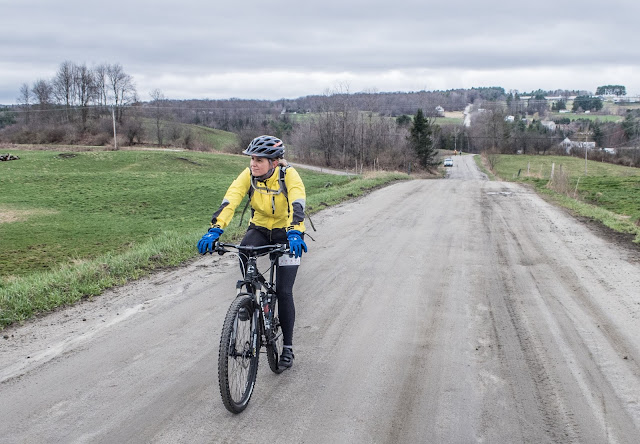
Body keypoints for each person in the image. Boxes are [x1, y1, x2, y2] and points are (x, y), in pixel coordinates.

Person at [197, 135, 307, 369]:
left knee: (285, 291)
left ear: (274, 162)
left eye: (259, 160)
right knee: (245, 250)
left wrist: (295, 232)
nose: (253, 164)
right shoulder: (249, 176)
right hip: (259, 227)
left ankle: (287, 347)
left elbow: (298, 204)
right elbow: (230, 200)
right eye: (252, 159)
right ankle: (251, 296)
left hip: (288, 232)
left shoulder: (289, 176)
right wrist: (215, 230)